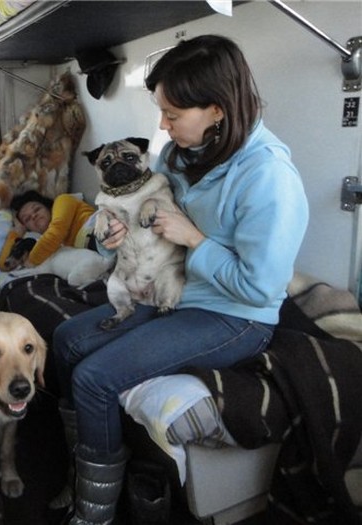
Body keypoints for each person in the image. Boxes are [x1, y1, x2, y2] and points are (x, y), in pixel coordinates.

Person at [52, 34, 309, 524]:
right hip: (176, 290)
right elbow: (140, 219)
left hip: (233, 314)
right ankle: (83, 466)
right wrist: (110, 236)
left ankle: (93, 513)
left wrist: (195, 239)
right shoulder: (177, 155)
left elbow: (260, 286)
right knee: (66, 340)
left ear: (217, 109)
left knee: (95, 378)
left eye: (172, 115)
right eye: (161, 112)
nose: (162, 126)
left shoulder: (268, 176)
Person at [0, 190, 98, 270]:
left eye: (37, 209)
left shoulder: (62, 200)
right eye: (27, 219)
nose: (34, 216)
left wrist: (31, 261)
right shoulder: (45, 245)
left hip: (97, 229)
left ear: (47, 207)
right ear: (27, 228)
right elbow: (4, 265)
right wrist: (17, 233)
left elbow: (56, 232)